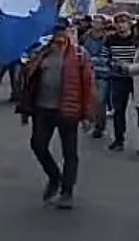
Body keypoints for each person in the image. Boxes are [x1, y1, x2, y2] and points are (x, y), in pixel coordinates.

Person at [17, 22, 98, 210]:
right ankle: (55, 177)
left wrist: (88, 115)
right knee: (38, 145)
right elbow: (29, 82)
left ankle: (67, 192)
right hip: (43, 109)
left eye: (63, 31)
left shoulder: (78, 55)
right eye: (56, 31)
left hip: (68, 110)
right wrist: (25, 110)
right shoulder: (42, 53)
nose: (59, 35)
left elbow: (88, 85)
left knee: (69, 152)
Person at [102, 14, 139, 151]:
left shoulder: (137, 40)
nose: (120, 25)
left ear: (130, 24)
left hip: (136, 78)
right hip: (118, 77)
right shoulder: (110, 40)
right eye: (118, 23)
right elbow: (105, 57)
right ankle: (119, 139)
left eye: (123, 22)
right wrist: (115, 65)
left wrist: (134, 67)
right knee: (119, 110)